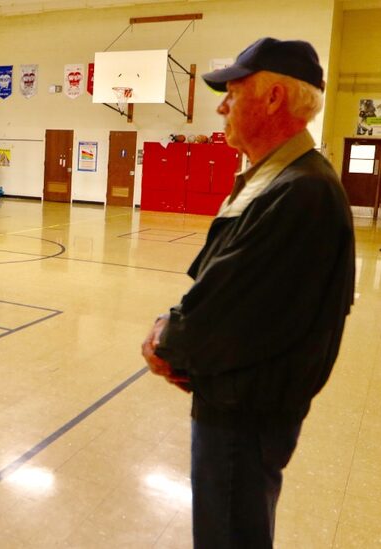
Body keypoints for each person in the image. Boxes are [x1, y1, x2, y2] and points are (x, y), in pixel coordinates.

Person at [141, 37, 355, 548]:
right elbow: (226, 289)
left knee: (230, 535)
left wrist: (166, 342)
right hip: (239, 400)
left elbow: (227, 311)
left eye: (233, 93)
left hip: (246, 412)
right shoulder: (279, 180)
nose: (220, 106)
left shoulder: (300, 191)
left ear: (274, 98)